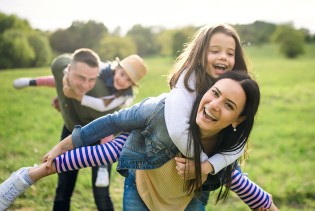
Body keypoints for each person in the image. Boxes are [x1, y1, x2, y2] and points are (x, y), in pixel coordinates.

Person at [0, 71, 278, 211]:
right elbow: (109, 133)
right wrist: (52, 160)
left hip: (180, 201)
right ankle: (27, 175)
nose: (215, 105)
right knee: (103, 154)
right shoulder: (161, 116)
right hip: (141, 186)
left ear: (237, 120)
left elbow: (255, 197)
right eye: (215, 93)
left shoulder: (222, 155)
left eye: (229, 105)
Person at [8, 48, 147, 211]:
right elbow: (63, 77)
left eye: (129, 80)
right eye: (122, 74)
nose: (123, 81)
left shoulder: (125, 96)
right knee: (64, 186)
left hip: (102, 135)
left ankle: (102, 168)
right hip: (74, 131)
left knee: (101, 193)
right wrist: (61, 95)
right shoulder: (100, 72)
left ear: (132, 85)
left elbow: (102, 105)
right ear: (117, 68)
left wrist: (76, 96)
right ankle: (31, 81)